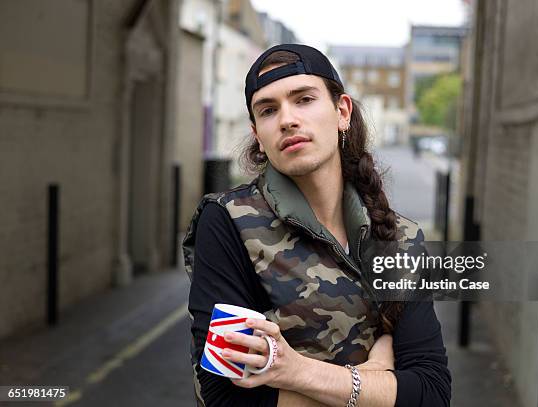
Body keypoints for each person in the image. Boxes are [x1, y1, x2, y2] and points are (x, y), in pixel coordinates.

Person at [183, 44, 451, 407]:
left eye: (304, 99)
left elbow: (432, 394)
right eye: (268, 110)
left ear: (342, 111)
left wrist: (296, 372)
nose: (287, 119)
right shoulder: (230, 221)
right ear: (258, 134)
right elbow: (226, 398)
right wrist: (373, 381)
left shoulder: (401, 239)